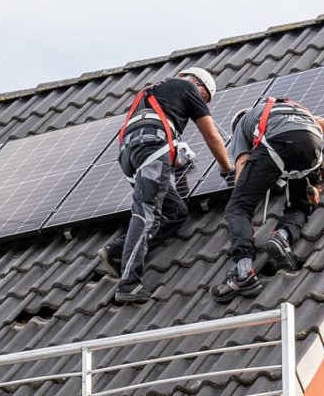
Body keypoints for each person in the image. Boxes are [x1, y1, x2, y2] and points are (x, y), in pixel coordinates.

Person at [211, 97, 324, 302]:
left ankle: (243, 272)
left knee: (238, 208)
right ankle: (283, 235)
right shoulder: (293, 111)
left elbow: (242, 167)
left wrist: (244, 200)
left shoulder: (242, 126)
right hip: (310, 143)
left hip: (275, 147)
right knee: (299, 205)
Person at [98, 67, 234, 303]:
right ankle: (129, 283)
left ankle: (116, 251)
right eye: (204, 98)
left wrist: (177, 159)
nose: (202, 103)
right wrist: (227, 168)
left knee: (176, 212)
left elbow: (148, 133)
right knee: (147, 213)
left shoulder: (151, 93)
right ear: (197, 83)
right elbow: (212, 136)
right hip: (152, 149)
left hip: (130, 155)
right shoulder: (187, 87)